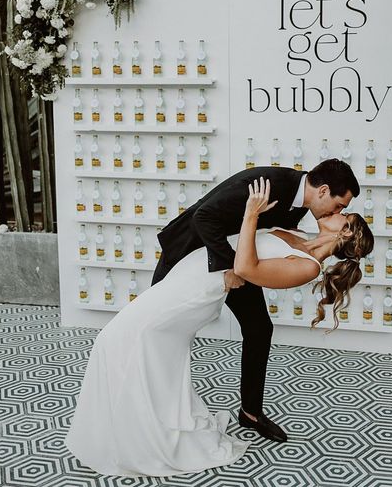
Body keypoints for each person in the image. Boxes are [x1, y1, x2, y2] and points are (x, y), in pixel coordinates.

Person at [65, 177, 374, 478]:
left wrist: (251, 214)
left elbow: (244, 268)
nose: (337, 212)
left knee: (119, 337)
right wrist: (253, 215)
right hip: (195, 266)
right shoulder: (299, 232)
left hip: (201, 286)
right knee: (153, 345)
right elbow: (229, 229)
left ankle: (142, 432)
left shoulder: (307, 266)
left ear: (345, 233)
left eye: (344, 214)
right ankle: (145, 421)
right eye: (341, 207)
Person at [152, 159, 359, 442]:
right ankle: (156, 408)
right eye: (339, 206)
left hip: (235, 262)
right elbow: (204, 217)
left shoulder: (302, 202)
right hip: (189, 254)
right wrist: (228, 270)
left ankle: (250, 413)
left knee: (259, 328)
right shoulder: (270, 184)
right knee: (159, 330)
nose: (338, 212)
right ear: (323, 191)